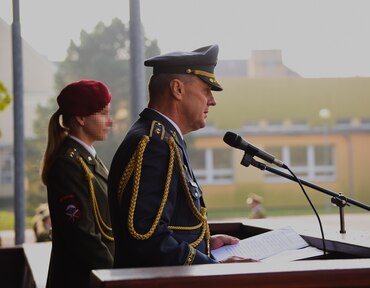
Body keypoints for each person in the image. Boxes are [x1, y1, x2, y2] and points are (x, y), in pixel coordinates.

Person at [108, 44, 255, 267]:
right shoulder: (155, 144)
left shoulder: (164, 138)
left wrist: (206, 245)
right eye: (206, 90)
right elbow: (148, 239)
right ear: (177, 89)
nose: (212, 101)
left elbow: (167, 227)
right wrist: (214, 268)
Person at [41, 79, 115, 288]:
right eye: (103, 113)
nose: (109, 121)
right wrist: (117, 274)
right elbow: (83, 237)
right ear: (81, 118)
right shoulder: (68, 164)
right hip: (81, 280)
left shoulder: (87, 159)